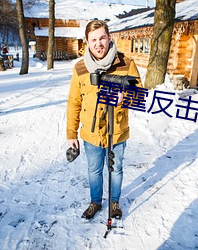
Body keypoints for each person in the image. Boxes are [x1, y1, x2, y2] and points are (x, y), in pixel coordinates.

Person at [66, 20, 142, 220]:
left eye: (102, 38)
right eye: (93, 40)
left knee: (116, 168)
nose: (98, 43)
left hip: (117, 130)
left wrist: (125, 97)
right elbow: (74, 102)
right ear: (87, 42)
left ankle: (114, 202)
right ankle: (95, 201)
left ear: (109, 38)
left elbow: (140, 95)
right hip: (91, 133)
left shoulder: (126, 64)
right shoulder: (80, 68)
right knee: (94, 170)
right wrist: (71, 134)